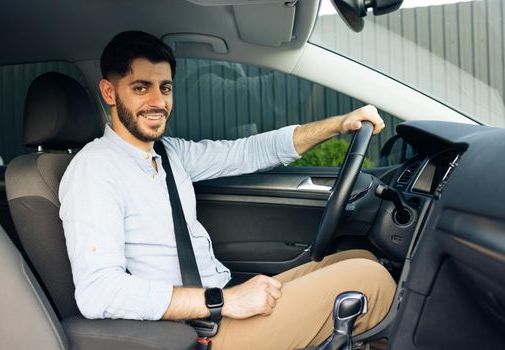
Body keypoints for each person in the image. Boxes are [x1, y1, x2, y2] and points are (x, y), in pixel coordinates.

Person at [59, 31, 396, 350]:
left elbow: (248, 152)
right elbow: (98, 292)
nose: (157, 101)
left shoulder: (168, 153)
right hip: (196, 332)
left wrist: (338, 124)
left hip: (220, 306)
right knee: (369, 279)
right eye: (141, 87)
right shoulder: (94, 170)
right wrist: (225, 301)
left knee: (359, 258)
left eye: (165, 88)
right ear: (109, 92)